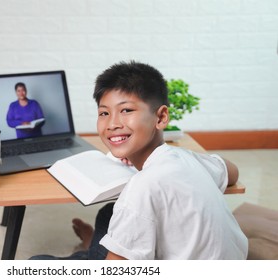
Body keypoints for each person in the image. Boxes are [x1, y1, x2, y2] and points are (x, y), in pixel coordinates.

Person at [30, 61, 248, 260]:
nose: (112, 123)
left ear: (161, 117)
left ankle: (90, 253)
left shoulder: (141, 188)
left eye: (126, 110)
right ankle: (94, 248)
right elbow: (233, 172)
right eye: (104, 113)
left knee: (36, 263)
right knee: (109, 212)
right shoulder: (184, 158)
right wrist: (191, 162)